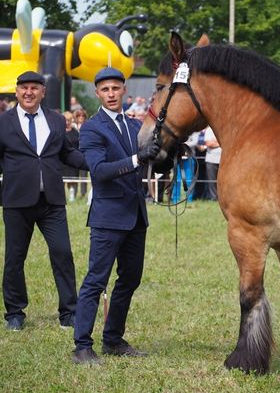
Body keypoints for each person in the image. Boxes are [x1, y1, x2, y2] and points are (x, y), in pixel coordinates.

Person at [72, 67, 161, 364]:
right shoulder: (92, 128)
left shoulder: (137, 126)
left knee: (130, 279)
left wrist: (166, 156)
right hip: (108, 217)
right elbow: (98, 171)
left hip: (136, 215)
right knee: (96, 281)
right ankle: (82, 345)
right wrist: (138, 158)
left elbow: (151, 163)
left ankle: (113, 339)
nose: (111, 94)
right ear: (98, 93)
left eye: (116, 88)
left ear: (124, 90)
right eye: (105, 89)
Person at [0, 71, 88, 331]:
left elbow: (67, 154)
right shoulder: (3, 122)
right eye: (24, 88)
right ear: (16, 92)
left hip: (51, 201)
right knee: (15, 258)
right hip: (16, 201)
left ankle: (69, 312)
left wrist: (95, 163)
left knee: (63, 253)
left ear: (43, 92)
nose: (29, 92)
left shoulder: (56, 120)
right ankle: (15, 312)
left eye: (34, 88)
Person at [204, 126, 221, 201]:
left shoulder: (223, 128)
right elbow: (208, 143)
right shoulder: (209, 130)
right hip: (211, 159)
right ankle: (213, 197)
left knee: (221, 181)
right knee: (212, 180)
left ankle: (221, 198)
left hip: (222, 160)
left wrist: (215, 142)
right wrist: (220, 142)